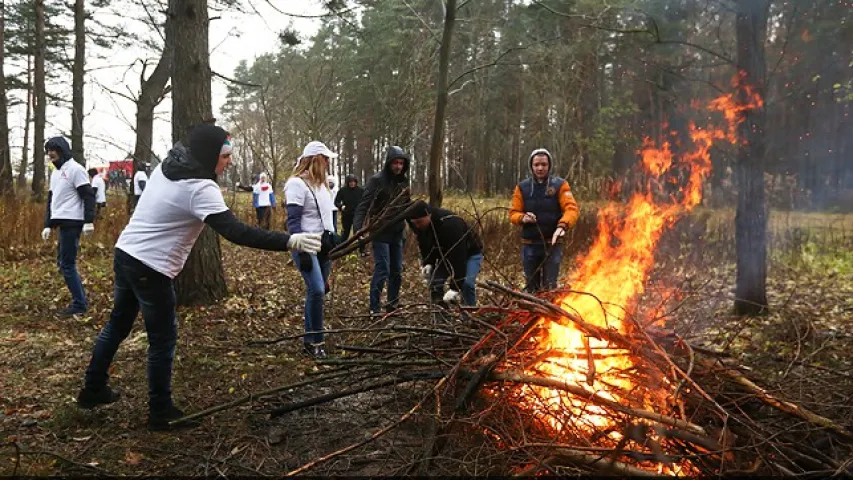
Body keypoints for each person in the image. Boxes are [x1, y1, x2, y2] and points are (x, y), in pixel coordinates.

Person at [75, 125, 322, 431]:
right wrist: (290, 240)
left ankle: (92, 390)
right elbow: (236, 231)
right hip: (149, 267)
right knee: (162, 339)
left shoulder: (170, 165)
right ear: (208, 156)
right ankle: (160, 411)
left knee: (118, 324)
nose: (229, 162)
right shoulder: (200, 188)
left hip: (126, 252)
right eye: (225, 156)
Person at [285, 141, 337, 359]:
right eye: (325, 159)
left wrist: (335, 236)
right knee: (316, 289)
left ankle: (308, 340)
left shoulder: (322, 185)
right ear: (316, 159)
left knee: (318, 292)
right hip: (306, 245)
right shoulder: (297, 184)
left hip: (323, 246)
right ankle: (317, 340)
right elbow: (293, 221)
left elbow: (329, 215)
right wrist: (302, 251)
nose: (328, 163)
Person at [509, 148, 579, 292]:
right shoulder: (522, 187)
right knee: (531, 287)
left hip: (552, 246)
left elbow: (571, 209)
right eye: (536, 165)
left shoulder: (560, 185)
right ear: (531, 166)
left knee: (549, 287)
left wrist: (562, 227)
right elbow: (513, 213)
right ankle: (532, 313)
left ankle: (549, 313)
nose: (540, 168)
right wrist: (523, 218)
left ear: (549, 165)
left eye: (544, 164)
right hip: (529, 245)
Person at [353, 146, 411, 315]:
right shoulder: (377, 180)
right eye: (395, 163)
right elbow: (363, 206)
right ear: (389, 163)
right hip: (380, 231)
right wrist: (358, 229)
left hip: (398, 231)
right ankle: (374, 307)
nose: (398, 166)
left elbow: (407, 206)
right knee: (383, 268)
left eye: (401, 163)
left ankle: (392, 304)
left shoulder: (403, 181)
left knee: (397, 270)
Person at [42, 137, 95, 317]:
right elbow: (52, 199)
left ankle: (80, 304)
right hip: (61, 222)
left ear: (63, 150)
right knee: (63, 263)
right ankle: (79, 299)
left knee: (67, 264)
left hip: (73, 222)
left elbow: (88, 196)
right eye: (48, 150)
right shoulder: (55, 172)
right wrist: (47, 225)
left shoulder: (76, 169)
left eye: (53, 150)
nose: (50, 153)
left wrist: (89, 220)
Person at [406, 200, 483, 307]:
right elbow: (425, 245)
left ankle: (470, 314)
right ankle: (440, 315)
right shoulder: (420, 226)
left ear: (428, 215)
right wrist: (428, 262)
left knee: (467, 284)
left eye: (419, 222)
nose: (417, 226)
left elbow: (459, 256)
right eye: (414, 223)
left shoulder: (450, 225)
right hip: (445, 256)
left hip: (470, 254)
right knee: (435, 283)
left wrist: (454, 287)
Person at [334, 173, 365, 256]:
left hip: (358, 215)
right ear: (347, 182)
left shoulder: (361, 191)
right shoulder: (343, 190)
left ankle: (362, 251)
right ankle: (340, 250)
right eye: (350, 182)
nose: (352, 183)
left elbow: (365, 201)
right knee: (345, 234)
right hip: (346, 215)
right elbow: (336, 201)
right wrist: (341, 206)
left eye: (354, 182)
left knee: (359, 233)